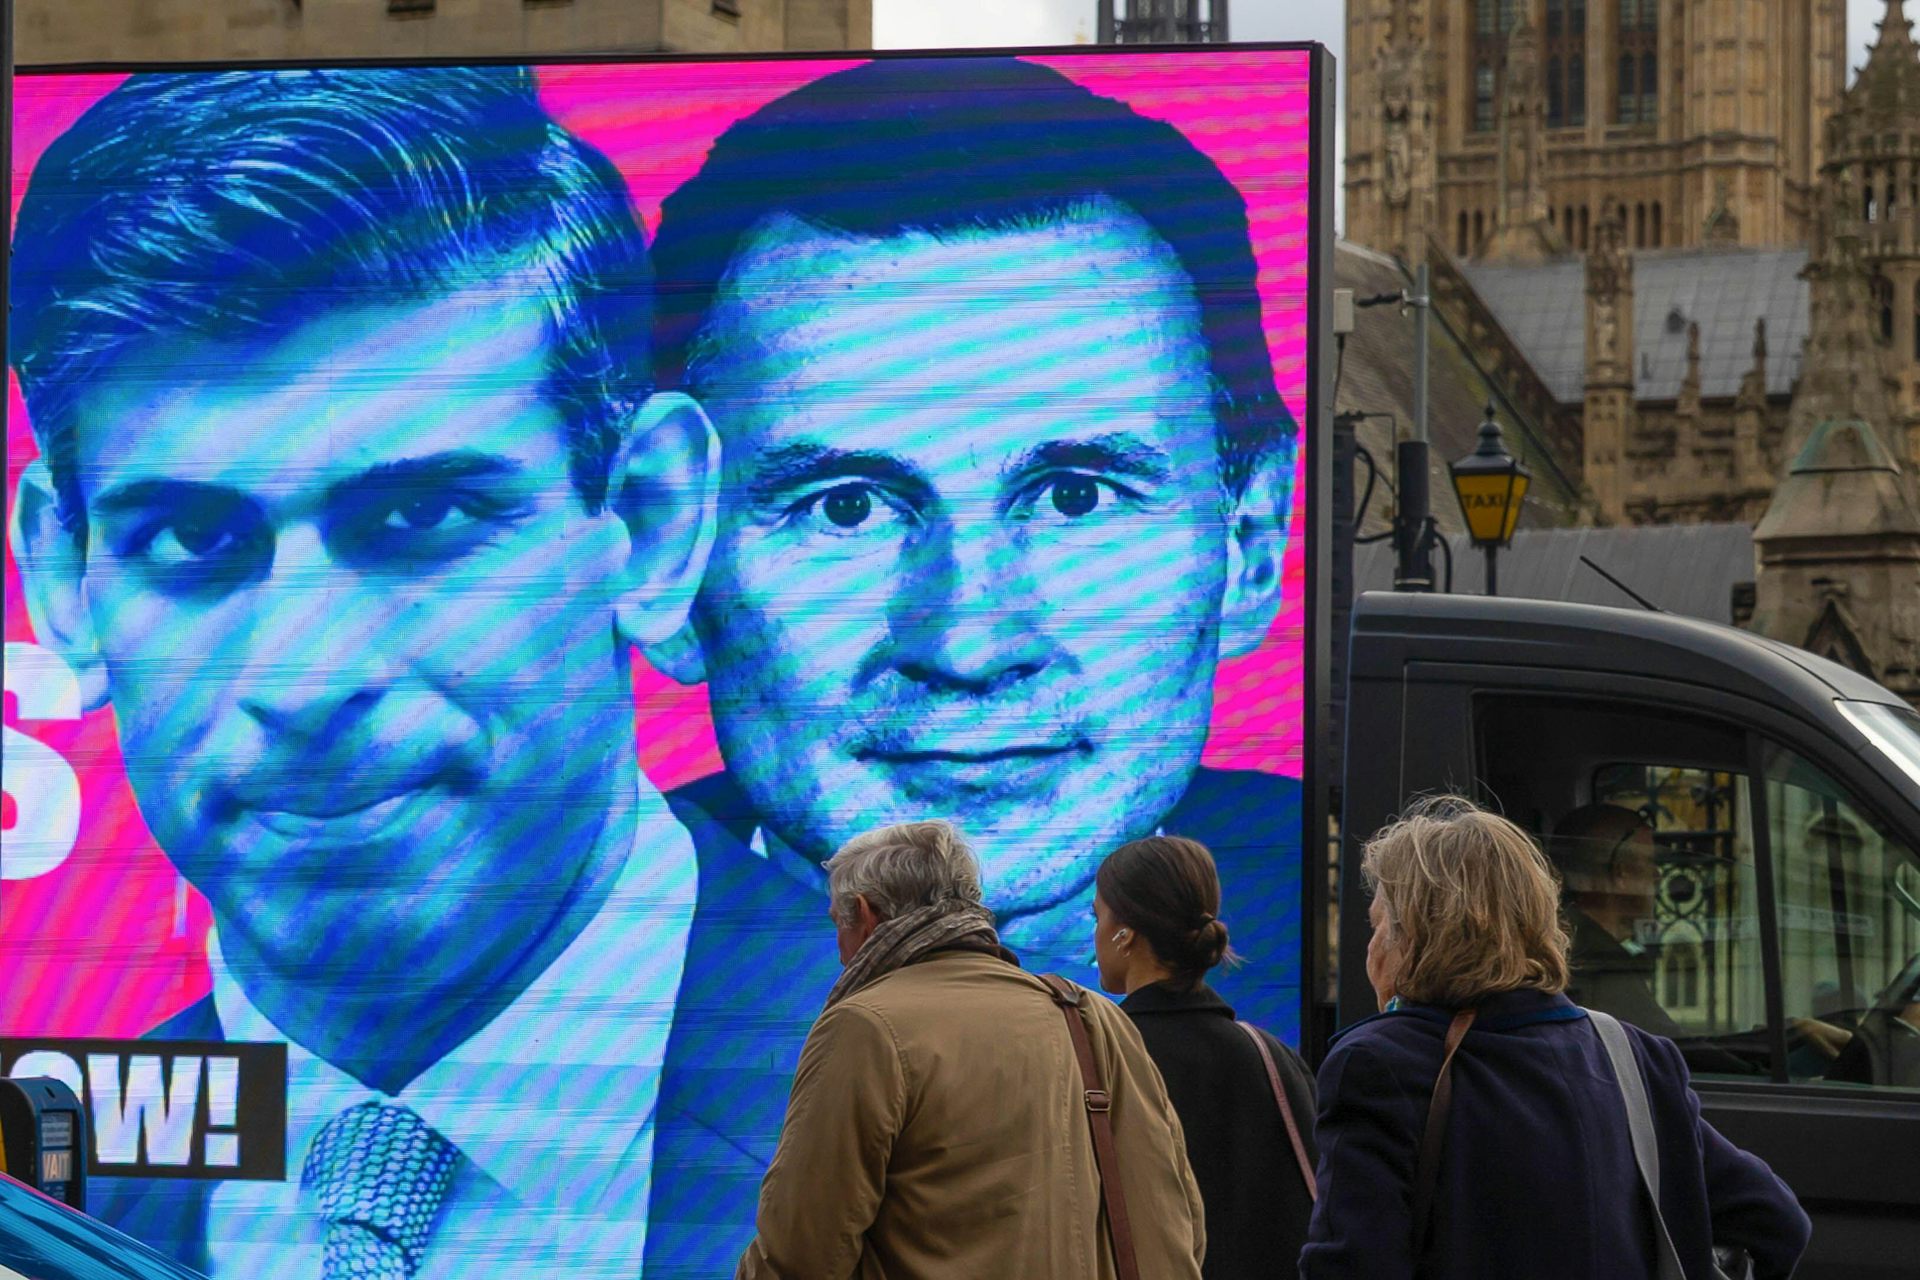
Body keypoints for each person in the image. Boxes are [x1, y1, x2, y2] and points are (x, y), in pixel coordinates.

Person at [9, 68, 719, 1276]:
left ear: (648, 524)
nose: (306, 675)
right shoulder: (41, 1165)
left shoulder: (1001, 1101)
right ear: (66, 578)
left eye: (424, 516)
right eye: (190, 540)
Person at [644, 54, 1302, 1000]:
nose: (968, 644)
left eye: (1077, 497)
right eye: (848, 507)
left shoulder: (1355, 924)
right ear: (670, 563)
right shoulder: (534, 973)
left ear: (1250, 545)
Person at [1302, 797, 1810, 1280]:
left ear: (1413, 937)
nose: (1371, 948)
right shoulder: (1637, 1057)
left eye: (1378, 927)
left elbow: (1350, 1264)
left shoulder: (1376, 1066)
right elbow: (1778, 1222)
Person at [736, 819, 1206, 1279]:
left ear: (864, 914)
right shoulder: (1092, 1017)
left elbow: (803, 1251)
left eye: (838, 924)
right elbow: (1174, 1220)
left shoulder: (865, 1026)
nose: (841, 950)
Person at [1093, 836, 1317, 1280]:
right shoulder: (1273, 1057)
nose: (1093, 933)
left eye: (1096, 916)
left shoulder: (1099, 1060)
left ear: (1126, 933)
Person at [1550, 803, 1689, 1039]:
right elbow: (1671, 1052)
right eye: (1650, 862)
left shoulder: (1565, 942)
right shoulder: (1597, 962)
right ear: (1621, 873)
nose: (1657, 875)